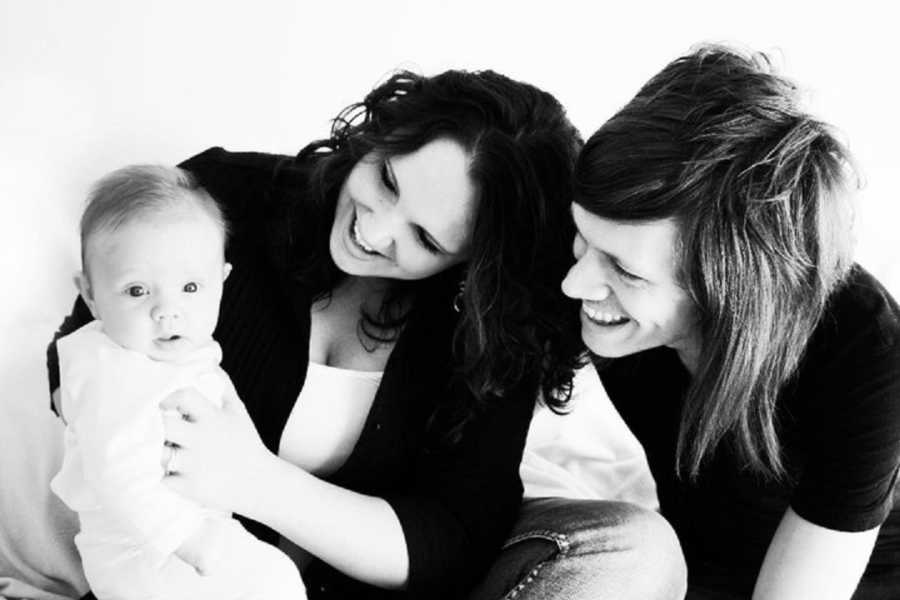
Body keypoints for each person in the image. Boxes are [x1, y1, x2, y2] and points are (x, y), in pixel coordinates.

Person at [47, 69, 588, 599]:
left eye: (425, 238)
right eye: (387, 180)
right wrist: (132, 453)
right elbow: (82, 347)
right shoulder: (221, 203)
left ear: (476, 264)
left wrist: (254, 479)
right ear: (380, 136)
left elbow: (449, 542)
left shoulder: (490, 337)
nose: (373, 231)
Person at [561, 45, 900, 599]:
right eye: (582, 237)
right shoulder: (609, 239)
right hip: (699, 558)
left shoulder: (865, 351)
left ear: (731, 291)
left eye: (625, 271)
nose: (574, 284)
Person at [51, 165, 305, 599]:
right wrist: (187, 538)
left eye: (190, 286)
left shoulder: (179, 350)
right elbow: (117, 468)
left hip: (189, 531)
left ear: (222, 283)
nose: (167, 310)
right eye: (136, 291)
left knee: (277, 580)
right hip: (140, 547)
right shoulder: (112, 372)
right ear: (90, 295)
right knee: (272, 582)